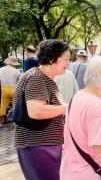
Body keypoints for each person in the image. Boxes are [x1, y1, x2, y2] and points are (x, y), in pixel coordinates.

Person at [14, 39, 69, 180]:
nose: (68, 63)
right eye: (66, 59)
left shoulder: (45, 78)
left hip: (45, 146)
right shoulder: (36, 77)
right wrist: (68, 107)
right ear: (51, 59)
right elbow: (36, 111)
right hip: (38, 147)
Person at [0, 56, 22, 125]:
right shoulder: (16, 71)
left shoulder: (1, 69)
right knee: (15, 104)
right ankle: (17, 119)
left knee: (3, 104)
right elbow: (21, 79)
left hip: (4, 88)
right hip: (14, 89)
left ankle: (3, 119)